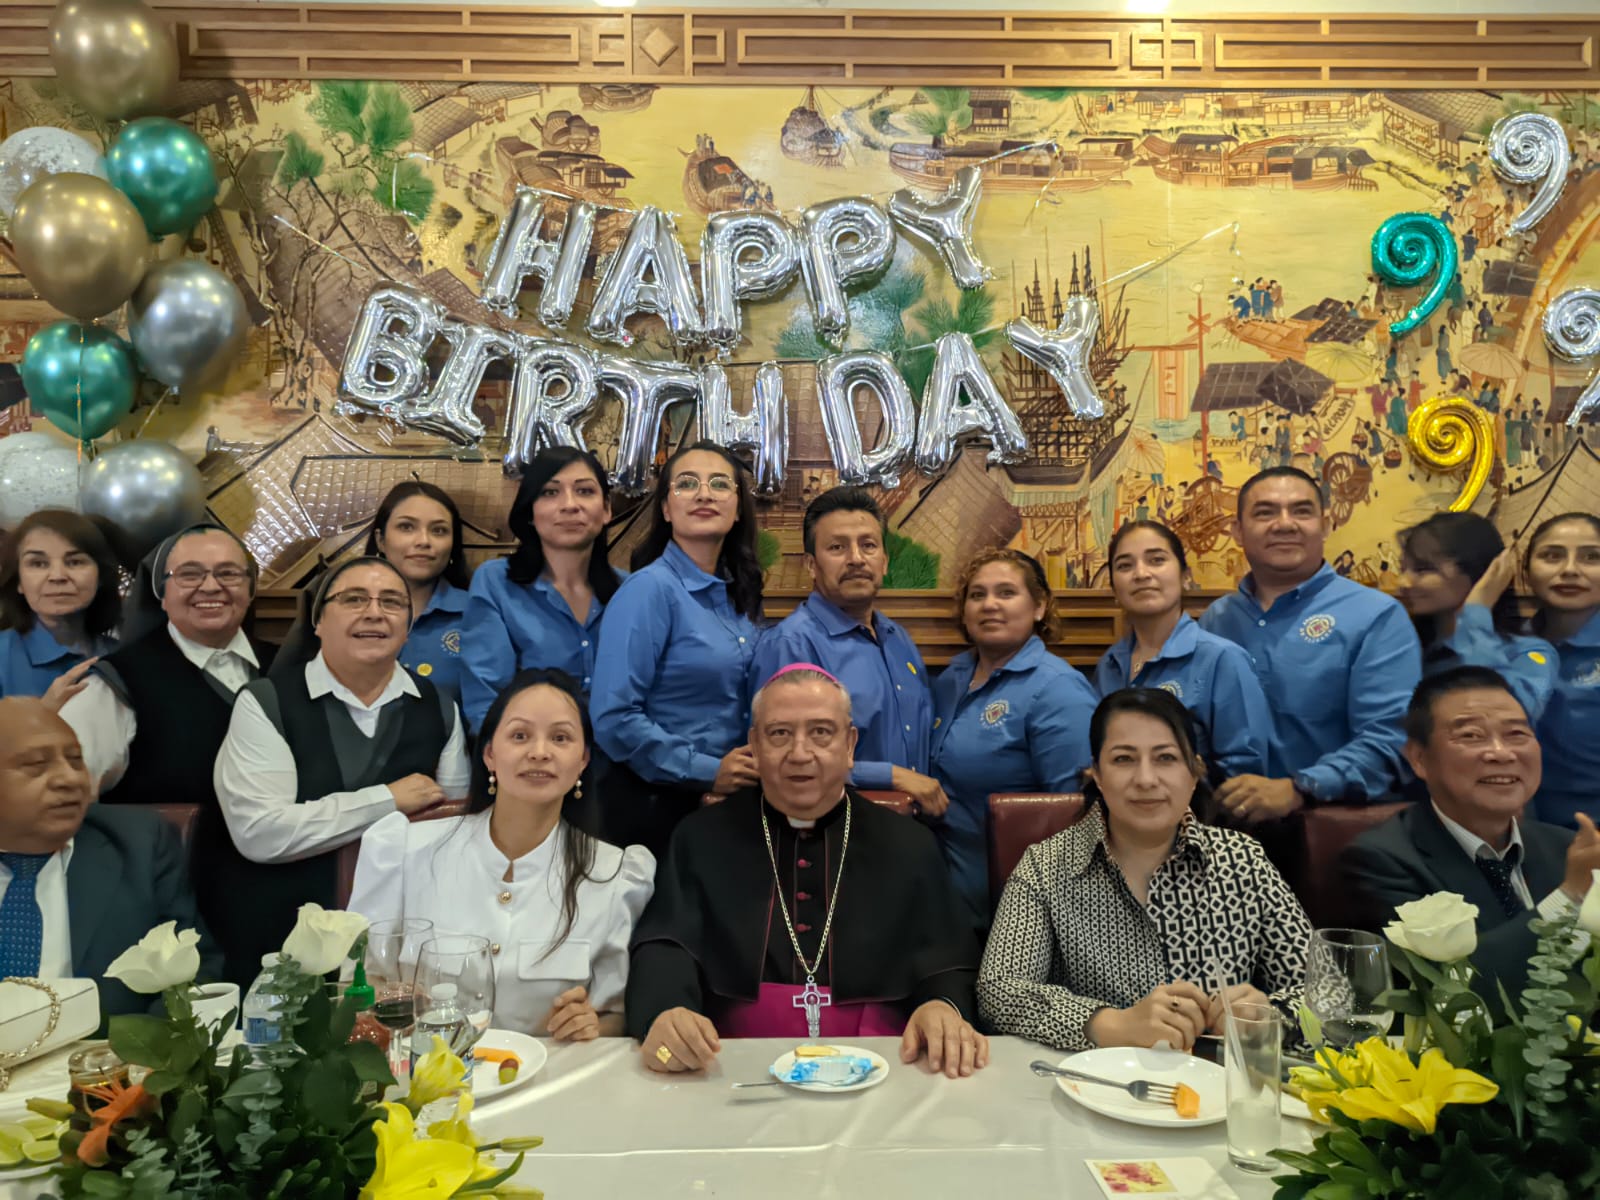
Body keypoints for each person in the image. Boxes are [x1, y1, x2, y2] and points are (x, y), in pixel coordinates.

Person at [627, 666, 988, 1078]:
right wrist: (666, 1010)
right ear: (755, 746)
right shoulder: (701, 837)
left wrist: (942, 1006)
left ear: (850, 744)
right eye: (780, 733)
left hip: (884, 1063)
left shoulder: (908, 843)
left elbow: (947, 960)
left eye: (821, 732)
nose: (800, 753)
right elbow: (667, 945)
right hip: (732, 1063)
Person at [977, 688, 1312, 1052]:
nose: (1147, 779)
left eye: (1166, 758)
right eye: (1123, 759)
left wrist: (1270, 1016)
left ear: (1195, 772)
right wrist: (1108, 1023)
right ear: (1097, 775)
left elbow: (1329, 993)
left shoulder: (1242, 861)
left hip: (1218, 1092)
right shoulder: (1046, 866)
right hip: (1093, 1088)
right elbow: (999, 991)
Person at [349, 669, 653, 1039]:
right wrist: (385, 1000)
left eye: (560, 738)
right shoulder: (405, 849)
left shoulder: (614, 875)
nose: (539, 753)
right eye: (520, 735)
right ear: (490, 754)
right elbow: (358, 985)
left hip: (548, 1083)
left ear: (583, 761)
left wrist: (593, 1024)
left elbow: (615, 1017)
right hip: (420, 1082)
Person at [211, 557, 470, 983]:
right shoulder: (265, 703)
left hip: (399, 952)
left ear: (408, 625)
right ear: (318, 621)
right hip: (284, 941)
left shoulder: (439, 708)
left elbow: (452, 834)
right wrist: (387, 800)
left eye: (391, 602)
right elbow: (259, 831)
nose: (374, 612)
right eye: (353, 599)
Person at [1341, 667, 1598, 992]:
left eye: (1517, 734)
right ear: (1419, 759)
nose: (1501, 753)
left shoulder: (1566, 848)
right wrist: (1569, 896)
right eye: (1471, 736)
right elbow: (1445, 994)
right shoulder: (1380, 861)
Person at [1199, 467, 1422, 822]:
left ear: (1326, 524)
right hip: (1226, 832)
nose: (1285, 524)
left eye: (1301, 511)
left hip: (1333, 830)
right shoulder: (1217, 620)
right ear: (1237, 531)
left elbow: (1391, 740)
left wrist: (1299, 788)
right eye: (1265, 512)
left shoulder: (1375, 617)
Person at [0, 697, 223, 1022]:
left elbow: (196, 972)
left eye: (76, 760)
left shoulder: (139, 845)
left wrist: (139, 1057)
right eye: (36, 765)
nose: (70, 779)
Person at [590, 441, 763, 856]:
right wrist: (706, 770)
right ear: (666, 509)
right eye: (687, 484)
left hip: (727, 805)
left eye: (720, 484)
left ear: (737, 508)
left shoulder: (740, 594)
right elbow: (614, 718)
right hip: (658, 806)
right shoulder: (649, 590)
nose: (704, 493)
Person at [930, 549, 1096, 929]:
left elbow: (1075, 817)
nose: (990, 605)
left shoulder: (1058, 689)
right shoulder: (951, 678)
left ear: (1039, 607)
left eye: (1006, 593)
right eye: (977, 594)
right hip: (947, 902)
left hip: (1017, 910)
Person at [749, 487, 938, 808]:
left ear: (884, 561)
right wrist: (889, 775)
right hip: (836, 832)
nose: (856, 559)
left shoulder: (899, 639)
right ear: (811, 565)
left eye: (868, 545)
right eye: (837, 547)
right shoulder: (792, 644)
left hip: (915, 830)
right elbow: (776, 759)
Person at [61, 524, 271, 804]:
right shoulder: (115, 685)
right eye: (189, 574)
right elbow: (61, 797)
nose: (210, 587)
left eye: (228, 573)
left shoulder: (288, 668)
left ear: (251, 588)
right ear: (161, 593)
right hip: (165, 847)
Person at [1095, 521, 1271, 782]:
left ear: (1185, 576)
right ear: (1113, 589)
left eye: (1156, 560)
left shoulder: (1222, 659)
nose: (1141, 574)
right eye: (1124, 565)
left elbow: (1244, 776)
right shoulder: (1109, 664)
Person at [461, 448, 621, 729]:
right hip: (529, 761)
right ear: (530, 512)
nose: (570, 505)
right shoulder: (497, 583)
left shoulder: (631, 590)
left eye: (584, 491)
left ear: (606, 509)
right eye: (550, 492)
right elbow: (485, 704)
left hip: (620, 760)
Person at [1396, 511, 1556, 721]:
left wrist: (1477, 609)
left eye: (1423, 569)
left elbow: (1498, 721)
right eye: (1403, 569)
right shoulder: (1405, 649)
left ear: (1481, 573)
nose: (1403, 583)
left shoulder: (1526, 653)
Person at [1522, 512, 1600, 830]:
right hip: (1518, 838)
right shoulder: (1504, 650)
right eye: (1552, 556)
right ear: (1525, 572)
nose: (1569, 570)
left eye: (1591, 557)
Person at [365, 481, 471, 709]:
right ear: (380, 540)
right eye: (406, 527)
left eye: (439, 530)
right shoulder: (344, 610)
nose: (423, 541)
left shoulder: (477, 614)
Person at [0, 510, 120, 708]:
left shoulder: (123, 655)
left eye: (75, 562)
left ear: (100, 577)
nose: (57, 576)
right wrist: (42, 718)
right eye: (38, 563)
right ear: (19, 582)